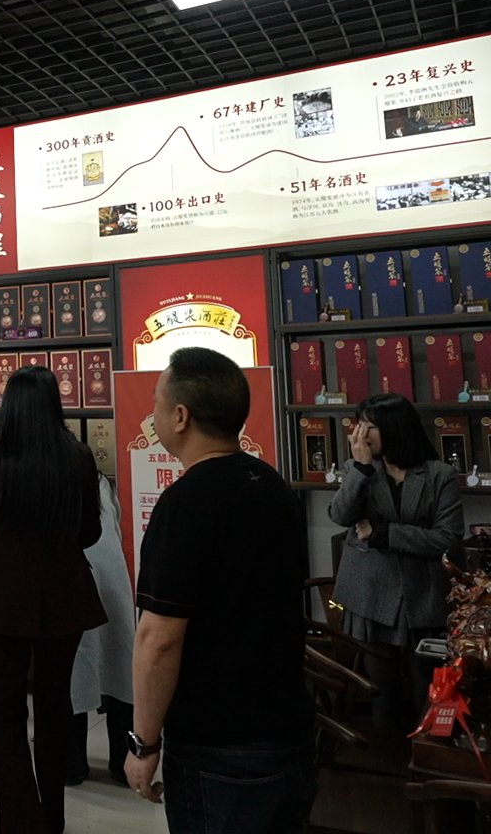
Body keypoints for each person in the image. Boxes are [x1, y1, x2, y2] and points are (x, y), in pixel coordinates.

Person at [125, 347, 315, 831]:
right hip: (288, 729)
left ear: (180, 416)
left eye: (157, 402)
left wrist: (143, 744)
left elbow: (159, 638)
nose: (153, 414)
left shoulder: (185, 503)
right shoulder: (273, 485)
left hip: (218, 745)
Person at [0, 366, 107, 833]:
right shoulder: (78, 457)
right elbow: (90, 531)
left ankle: (20, 820)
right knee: (55, 706)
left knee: (4, 711)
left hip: (0, 597)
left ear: (9, 406)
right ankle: (53, 817)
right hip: (64, 596)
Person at [327, 392, 464, 729]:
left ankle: (428, 750)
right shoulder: (359, 469)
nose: (359, 434)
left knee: (427, 687)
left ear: (394, 428)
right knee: (380, 691)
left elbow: (447, 538)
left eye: (369, 426)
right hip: (370, 594)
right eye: (358, 425)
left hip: (424, 595)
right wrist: (360, 468)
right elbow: (340, 516)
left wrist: (384, 533)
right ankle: (383, 751)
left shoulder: (438, 474)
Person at [67, 464, 135, 786]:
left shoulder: (50, 480)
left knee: (73, 674)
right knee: (121, 671)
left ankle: (73, 765)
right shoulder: (99, 482)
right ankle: (122, 764)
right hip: (112, 581)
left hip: (75, 580)